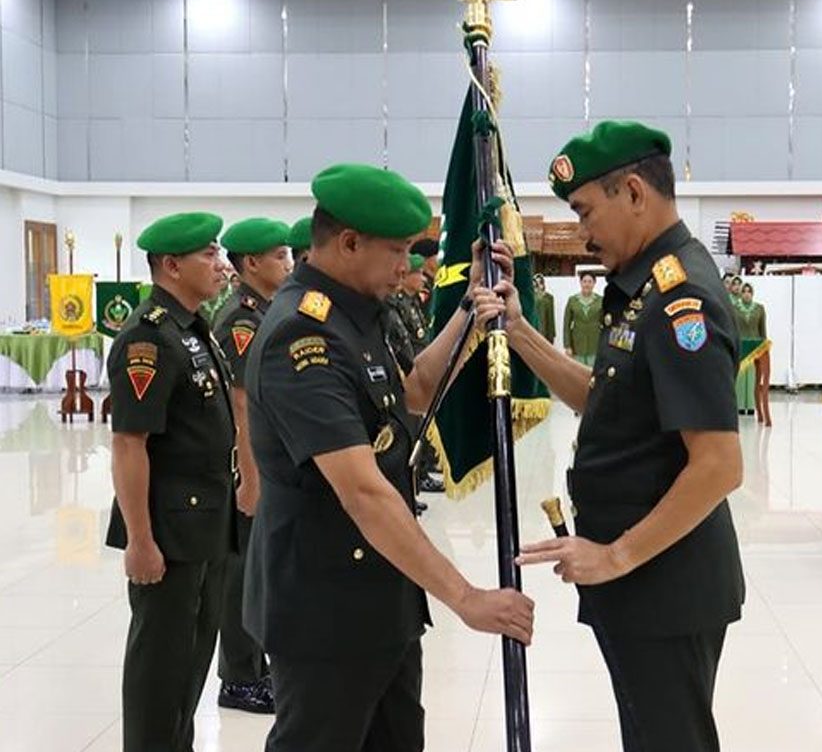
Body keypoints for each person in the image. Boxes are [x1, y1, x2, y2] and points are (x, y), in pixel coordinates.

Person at [242, 163, 534, 752]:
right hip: (325, 609)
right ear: (349, 242)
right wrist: (466, 598)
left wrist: (467, 310)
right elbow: (364, 492)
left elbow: (414, 390)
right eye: (398, 250)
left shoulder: (357, 312)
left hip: (382, 597)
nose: (409, 265)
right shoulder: (304, 339)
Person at [504, 121, 744, 752]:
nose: (581, 232)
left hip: (662, 580)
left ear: (634, 193)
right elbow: (604, 400)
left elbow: (719, 465)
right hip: (643, 576)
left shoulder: (678, 296)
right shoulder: (641, 287)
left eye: (585, 211)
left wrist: (614, 556)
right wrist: (520, 333)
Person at [104, 212, 238, 752]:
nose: (220, 264)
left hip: (204, 523)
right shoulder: (148, 339)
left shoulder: (193, 329)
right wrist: (140, 540)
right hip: (167, 532)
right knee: (159, 672)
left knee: (190, 665)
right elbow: (129, 445)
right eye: (208, 254)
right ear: (170, 265)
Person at [211, 217, 293, 714]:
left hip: (264, 456)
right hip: (247, 463)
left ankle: (256, 665)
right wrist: (252, 475)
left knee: (258, 566)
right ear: (251, 264)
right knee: (241, 569)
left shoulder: (263, 309)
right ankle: (239, 677)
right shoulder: (241, 318)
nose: (288, 262)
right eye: (279, 256)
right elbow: (241, 402)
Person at [386, 253, 444, 498]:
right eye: (417, 273)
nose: (422, 278)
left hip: (416, 373)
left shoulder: (409, 304)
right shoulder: (394, 305)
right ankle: (414, 482)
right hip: (404, 379)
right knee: (408, 436)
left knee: (418, 429)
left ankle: (416, 482)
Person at [733, 282, 765, 416]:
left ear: (752, 293)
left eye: (749, 291)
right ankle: (740, 406)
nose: (747, 294)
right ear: (740, 294)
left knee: (752, 377)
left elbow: (762, 329)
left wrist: (763, 346)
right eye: (744, 291)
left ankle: (751, 406)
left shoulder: (759, 308)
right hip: (740, 345)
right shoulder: (734, 308)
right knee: (740, 377)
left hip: (754, 347)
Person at [563, 270, 603, 366]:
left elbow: (605, 324)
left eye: (590, 282)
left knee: (593, 373)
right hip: (577, 345)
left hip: (595, 343)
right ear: (580, 283)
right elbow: (566, 324)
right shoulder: (572, 300)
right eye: (584, 281)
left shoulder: (601, 300)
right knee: (578, 372)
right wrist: (567, 345)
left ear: (594, 283)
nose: (587, 284)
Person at [533, 273, 556, 343]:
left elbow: (551, 317)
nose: (539, 285)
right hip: (533, 329)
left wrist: (552, 334)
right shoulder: (530, 297)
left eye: (540, 282)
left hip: (545, 331)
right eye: (536, 282)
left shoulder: (549, 297)